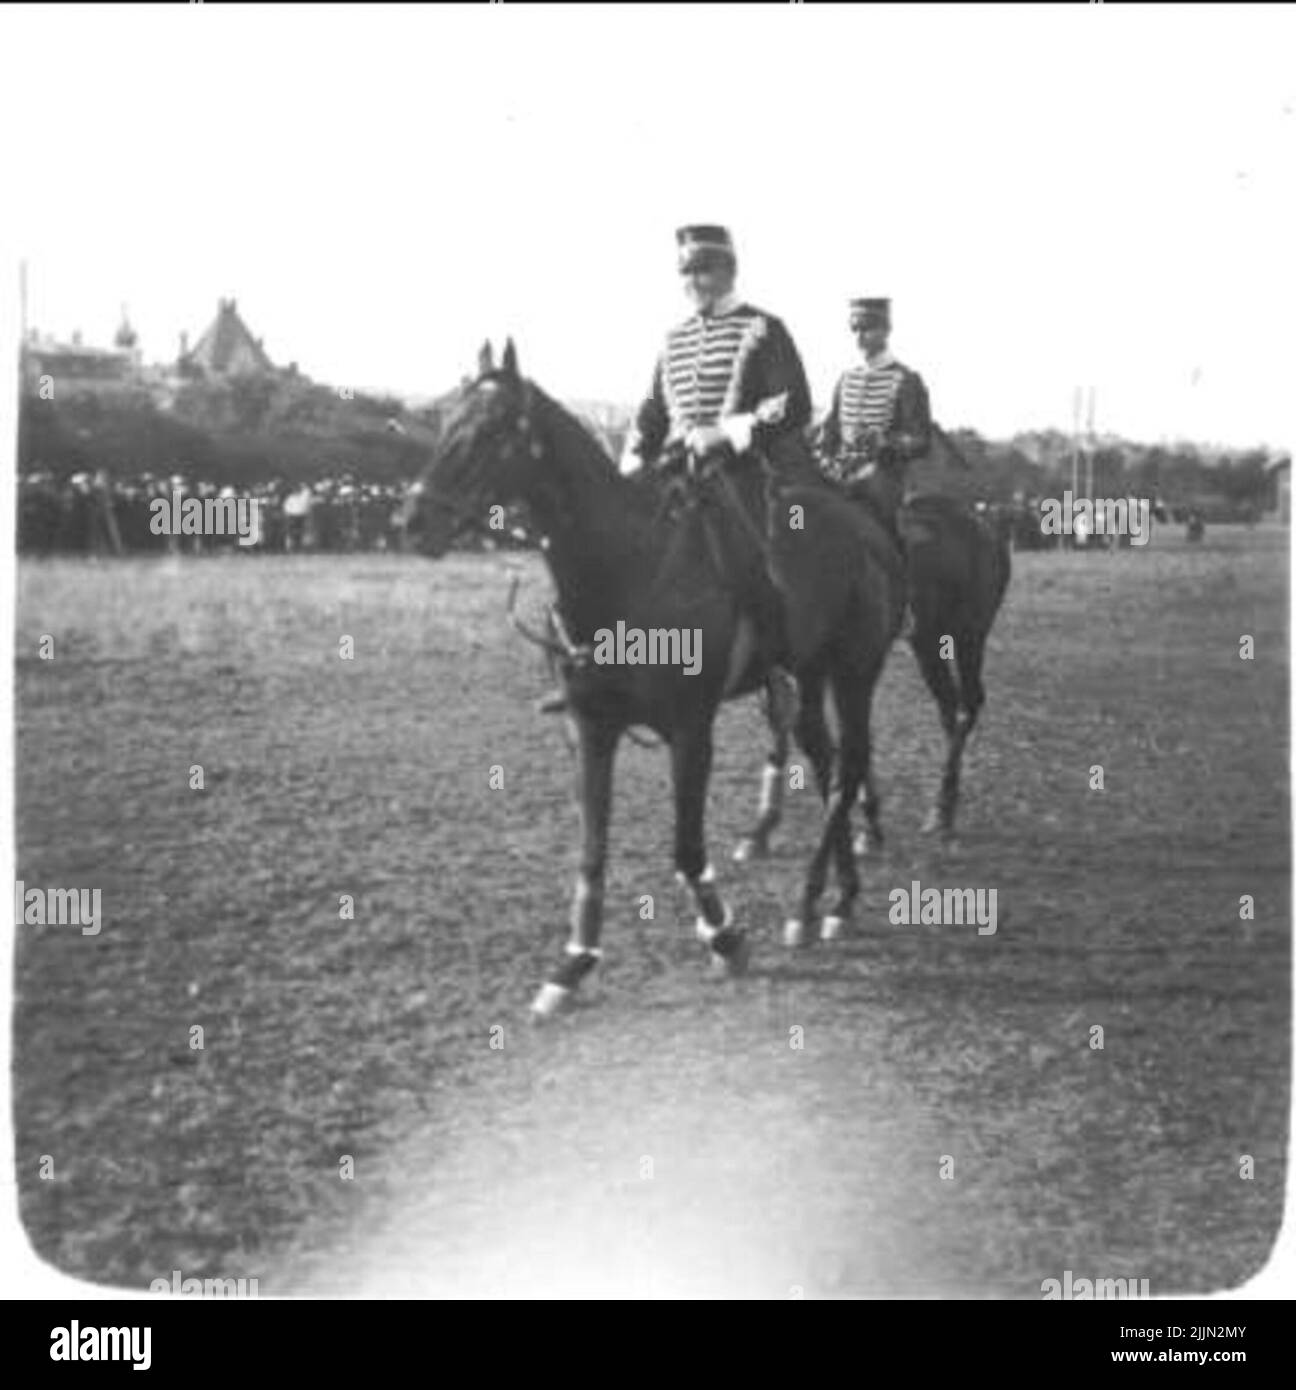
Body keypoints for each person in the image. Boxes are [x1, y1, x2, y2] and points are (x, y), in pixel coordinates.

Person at [614, 224, 812, 718]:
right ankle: (616, 661)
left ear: (729, 270)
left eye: (704, 269)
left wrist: (726, 432)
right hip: (673, 473)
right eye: (686, 271)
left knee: (748, 557)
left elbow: (793, 404)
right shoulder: (674, 339)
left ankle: (775, 668)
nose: (694, 280)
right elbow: (651, 415)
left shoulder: (763, 328)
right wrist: (631, 463)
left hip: (739, 471)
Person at [818, 297, 932, 538]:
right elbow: (830, 430)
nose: (860, 337)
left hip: (883, 475)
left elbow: (921, 439)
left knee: (880, 525)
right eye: (856, 330)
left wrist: (886, 443)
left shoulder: (906, 380)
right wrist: (822, 456)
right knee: (796, 506)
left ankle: (896, 558)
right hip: (839, 470)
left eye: (868, 329)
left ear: (885, 330)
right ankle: (790, 548)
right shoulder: (846, 379)